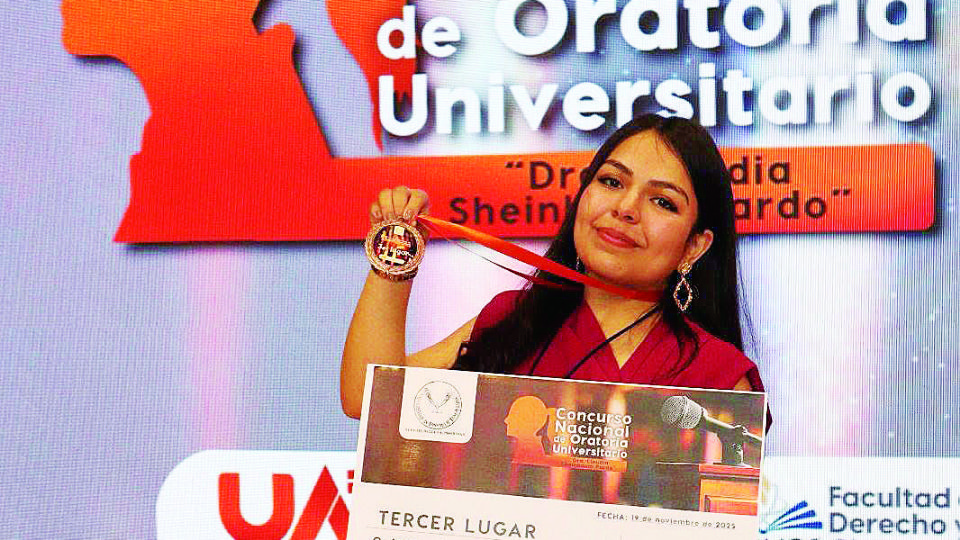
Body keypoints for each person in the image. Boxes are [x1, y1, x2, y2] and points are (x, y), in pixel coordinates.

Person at [341, 114, 765, 419]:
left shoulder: (720, 376)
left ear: (694, 246)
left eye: (662, 202)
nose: (625, 208)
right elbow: (368, 397)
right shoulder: (512, 321)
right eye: (611, 181)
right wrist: (395, 251)